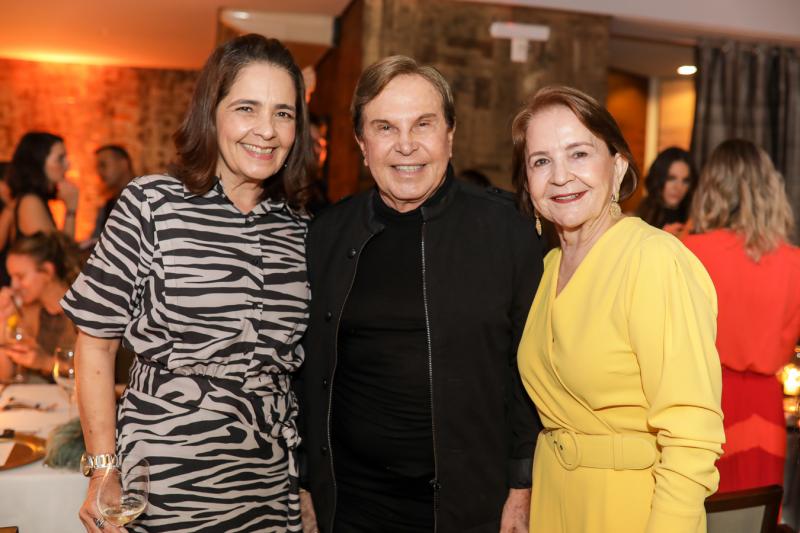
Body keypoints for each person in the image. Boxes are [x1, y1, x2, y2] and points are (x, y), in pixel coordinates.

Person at [61, 34, 315, 532]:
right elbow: (95, 342)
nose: (267, 130)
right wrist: (102, 469)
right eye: (246, 108)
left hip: (268, 483)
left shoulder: (299, 228)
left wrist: (305, 484)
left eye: (283, 113)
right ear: (211, 113)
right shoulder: (151, 205)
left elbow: (303, 372)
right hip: (166, 480)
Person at [299, 55, 544, 533]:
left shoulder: (509, 230)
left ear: (450, 134)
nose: (406, 145)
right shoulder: (326, 235)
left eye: (423, 124)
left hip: (473, 505)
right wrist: (308, 481)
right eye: (385, 127)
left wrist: (523, 486)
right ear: (362, 143)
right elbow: (308, 371)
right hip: (353, 505)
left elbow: (530, 372)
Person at [512, 86, 724, 533]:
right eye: (541, 161)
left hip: (630, 508)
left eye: (579, 153)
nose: (561, 176)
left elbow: (691, 437)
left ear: (619, 165)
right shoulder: (547, 268)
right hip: (555, 503)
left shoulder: (653, 260)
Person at [683, 139, 800, 494]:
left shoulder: (684, 250)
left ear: (711, 188)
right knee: (756, 513)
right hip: (764, 411)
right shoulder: (793, 262)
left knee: (698, 509)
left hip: (700, 401)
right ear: (769, 188)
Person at [0, 232, 81, 383]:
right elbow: (5, 375)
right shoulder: (29, 311)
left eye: (20, 277)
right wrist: (3, 319)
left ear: (47, 271)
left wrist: (45, 362)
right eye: (11, 277)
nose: (14, 285)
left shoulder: (84, 309)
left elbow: (95, 374)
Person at [6, 132, 79, 240]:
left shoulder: (35, 199)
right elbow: (60, 250)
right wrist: (71, 209)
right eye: (60, 158)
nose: (67, 165)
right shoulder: (30, 202)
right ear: (38, 163)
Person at [636, 146, 697, 236]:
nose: (678, 187)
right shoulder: (636, 219)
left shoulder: (694, 220)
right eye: (671, 178)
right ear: (658, 179)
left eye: (685, 181)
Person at [91, 144, 135, 240]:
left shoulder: (148, 198)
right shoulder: (107, 207)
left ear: (123, 164)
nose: (99, 172)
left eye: (103, 165)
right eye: (97, 167)